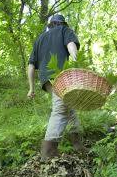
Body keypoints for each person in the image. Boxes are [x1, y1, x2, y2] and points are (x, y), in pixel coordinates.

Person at [27, 14, 85, 159]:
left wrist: (31, 88)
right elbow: (71, 45)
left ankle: (78, 146)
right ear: (61, 23)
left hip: (47, 80)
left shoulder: (39, 39)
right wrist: (76, 61)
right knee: (60, 110)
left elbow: (31, 65)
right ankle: (48, 153)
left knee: (69, 109)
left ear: (50, 25)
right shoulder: (64, 30)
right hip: (60, 76)